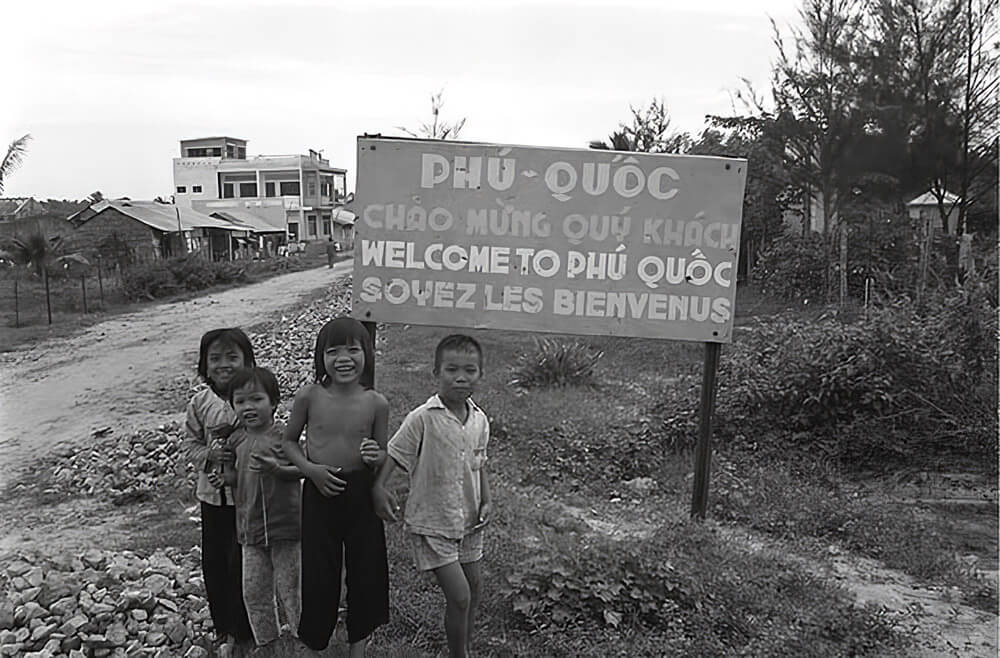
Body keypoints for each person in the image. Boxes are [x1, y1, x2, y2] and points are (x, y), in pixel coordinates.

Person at [373, 334, 492, 658]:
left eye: (470, 370)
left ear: (481, 374)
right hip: (433, 520)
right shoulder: (423, 417)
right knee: (460, 596)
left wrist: (487, 499)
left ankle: (463, 644)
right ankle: (459, 654)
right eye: (452, 369)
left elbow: (479, 463)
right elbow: (396, 454)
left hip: (469, 521)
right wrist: (378, 487)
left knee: (475, 589)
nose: (461, 377)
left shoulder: (479, 419)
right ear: (435, 372)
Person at [283, 317, 390, 656]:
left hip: (359, 495)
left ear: (367, 355)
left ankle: (358, 646)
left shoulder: (376, 403)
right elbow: (289, 442)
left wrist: (375, 455)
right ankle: (314, 643)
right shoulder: (309, 396)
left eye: (353, 350)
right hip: (319, 492)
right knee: (318, 572)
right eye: (333, 351)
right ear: (320, 357)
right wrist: (310, 471)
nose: (344, 359)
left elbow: (382, 453)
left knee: (366, 570)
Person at [182, 328, 255, 652]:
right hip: (212, 498)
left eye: (232, 357)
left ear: (247, 361)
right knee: (216, 563)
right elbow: (189, 444)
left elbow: (268, 434)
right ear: (204, 365)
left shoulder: (254, 397)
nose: (224, 365)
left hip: (249, 497)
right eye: (215, 359)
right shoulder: (199, 403)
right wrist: (210, 454)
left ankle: (247, 627)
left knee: (247, 561)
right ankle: (223, 625)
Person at [224, 367, 302, 651]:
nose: (248, 407)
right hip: (249, 531)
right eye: (240, 401)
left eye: (256, 399)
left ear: (274, 402)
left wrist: (278, 470)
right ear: (232, 405)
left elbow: (303, 470)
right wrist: (224, 471)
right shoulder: (235, 441)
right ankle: (266, 642)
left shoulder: (285, 437)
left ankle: (302, 638)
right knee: (254, 590)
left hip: (287, 529)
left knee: (292, 589)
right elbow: (234, 478)